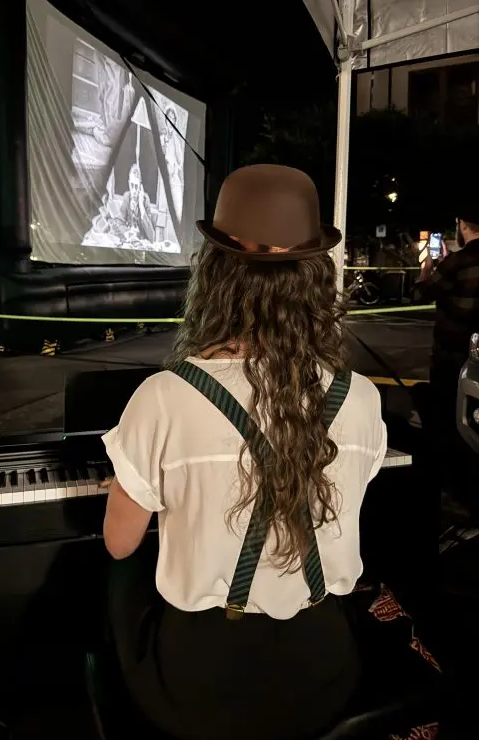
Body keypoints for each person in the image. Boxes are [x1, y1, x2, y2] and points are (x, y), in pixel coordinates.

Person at [102, 164, 387, 740]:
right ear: (311, 278)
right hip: (323, 674)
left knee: (115, 577)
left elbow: (120, 541)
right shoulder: (357, 396)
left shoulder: (166, 396)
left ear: (216, 277)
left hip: (202, 687)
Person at [412, 216, 479, 499]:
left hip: (453, 357)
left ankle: (452, 490)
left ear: (463, 226)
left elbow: (421, 293)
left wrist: (426, 268)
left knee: (445, 422)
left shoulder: (458, 263)